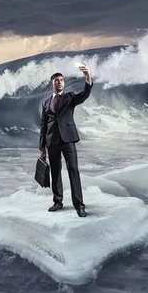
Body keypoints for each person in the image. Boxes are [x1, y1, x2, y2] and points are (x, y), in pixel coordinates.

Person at [39, 64, 93, 217]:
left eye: (61, 80)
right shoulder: (46, 102)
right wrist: (41, 147)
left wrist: (88, 77)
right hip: (52, 141)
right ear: (52, 83)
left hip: (68, 139)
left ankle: (79, 205)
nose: (60, 82)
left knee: (73, 171)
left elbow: (84, 94)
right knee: (55, 172)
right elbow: (43, 125)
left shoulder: (70, 97)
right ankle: (58, 201)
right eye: (56, 80)